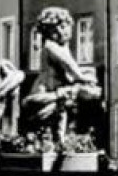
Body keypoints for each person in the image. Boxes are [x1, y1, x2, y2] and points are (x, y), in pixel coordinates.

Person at [22, 7, 102, 144]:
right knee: (58, 110)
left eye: (66, 26)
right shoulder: (50, 46)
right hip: (45, 90)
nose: (67, 30)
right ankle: (55, 145)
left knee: (61, 118)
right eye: (62, 27)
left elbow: (70, 73)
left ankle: (60, 145)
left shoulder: (62, 47)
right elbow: (70, 66)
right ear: (52, 31)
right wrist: (84, 78)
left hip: (58, 92)